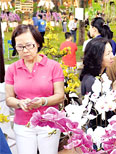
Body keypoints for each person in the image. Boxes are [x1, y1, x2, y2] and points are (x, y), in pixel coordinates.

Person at [5, 24, 64, 154]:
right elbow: (9, 99)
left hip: (49, 123)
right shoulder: (12, 69)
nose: (25, 50)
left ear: (37, 43)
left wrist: (43, 101)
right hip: (23, 124)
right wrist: (19, 103)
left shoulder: (53, 66)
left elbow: (60, 96)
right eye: (20, 47)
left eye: (29, 45)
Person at [80, 37, 116, 129]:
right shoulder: (90, 81)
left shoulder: (103, 75)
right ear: (97, 56)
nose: (112, 56)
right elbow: (98, 109)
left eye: (112, 52)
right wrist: (114, 92)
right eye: (108, 54)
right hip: (97, 129)